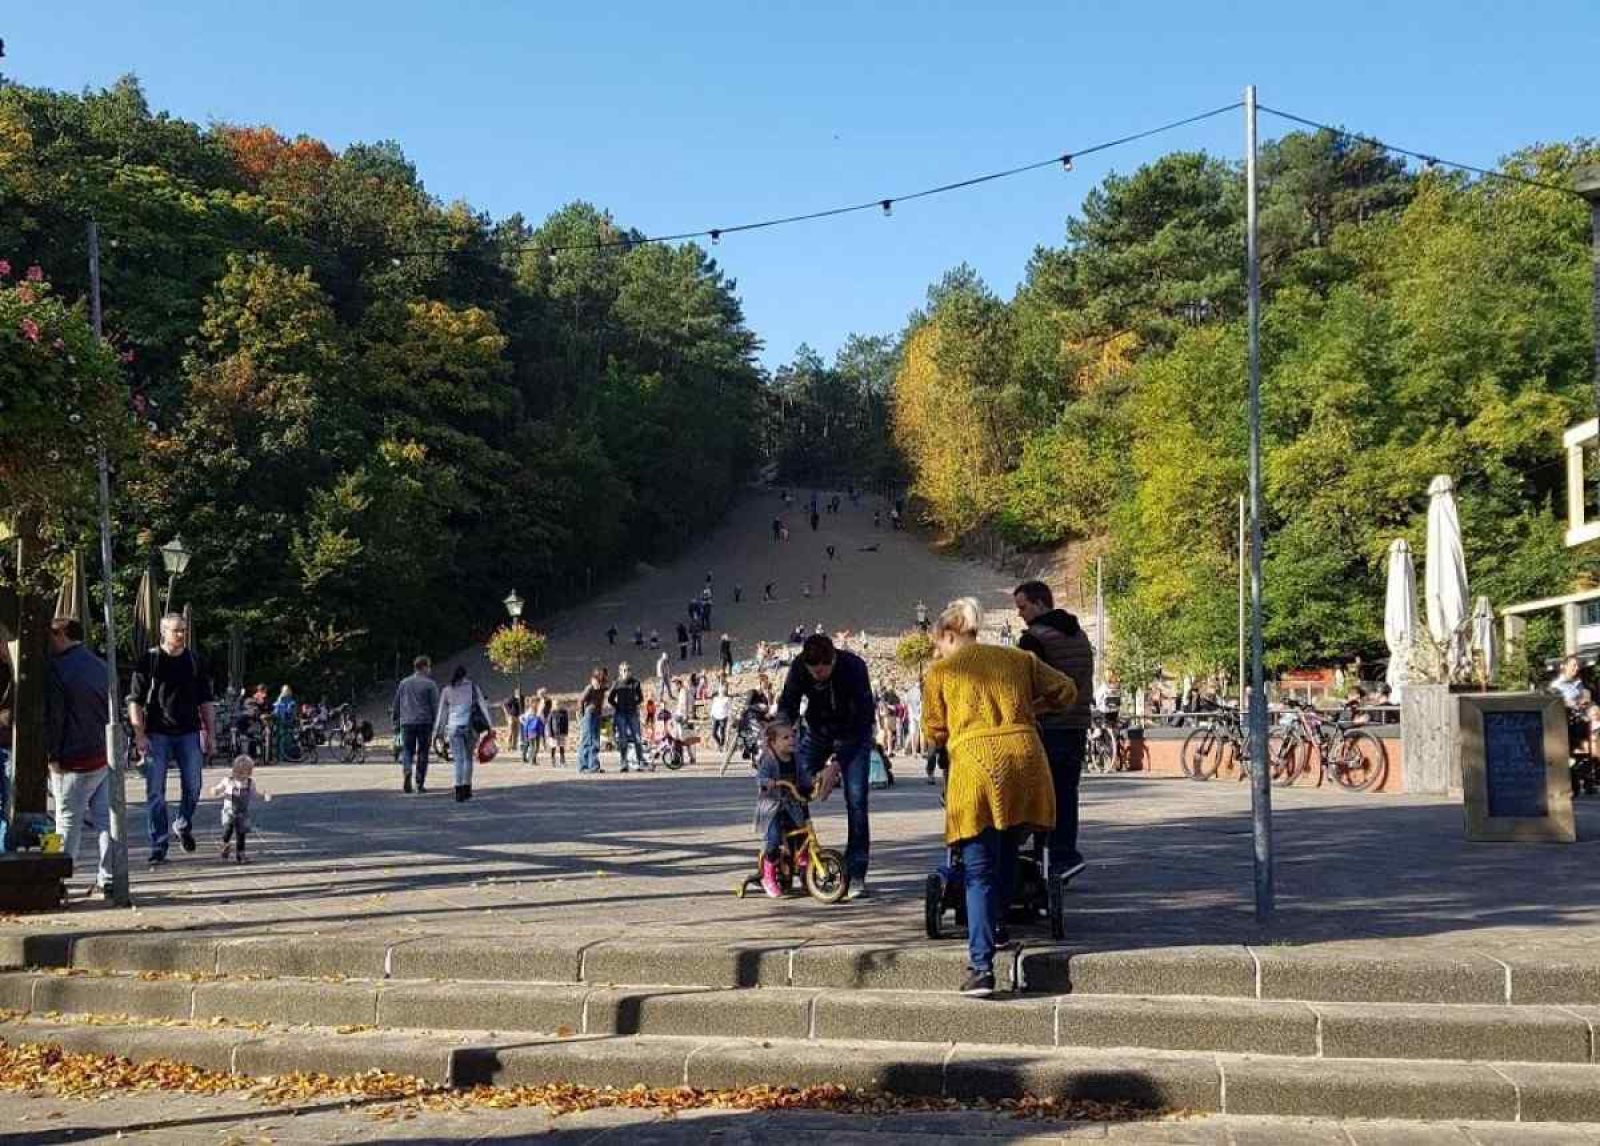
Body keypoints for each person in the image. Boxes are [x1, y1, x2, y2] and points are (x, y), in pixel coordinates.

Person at [923, 597, 1076, 997]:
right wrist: (1029, 710)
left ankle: (981, 968)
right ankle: (999, 926)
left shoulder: (941, 672)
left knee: (977, 870)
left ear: (950, 634)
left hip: (975, 765)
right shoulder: (1019, 659)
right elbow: (1067, 690)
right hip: (1024, 761)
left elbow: (933, 731)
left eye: (937, 643)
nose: (936, 651)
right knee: (1009, 850)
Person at [776, 633, 877, 898]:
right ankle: (802, 859)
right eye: (814, 672)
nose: (819, 675)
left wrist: (835, 764)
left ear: (833, 661)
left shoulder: (854, 667)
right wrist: (780, 736)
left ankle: (855, 873)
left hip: (855, 735)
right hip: (818, 731)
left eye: (824, 670)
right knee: (794, 787)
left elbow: (863, 717)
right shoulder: (800, 667)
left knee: (856, 800)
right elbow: (788, 704)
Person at [1014, 580, 1094, 884]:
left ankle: (1043, 857)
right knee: (1067, 792)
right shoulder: (1079, 634)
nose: (1020, 614)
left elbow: (1030, 687)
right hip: (1077, 723)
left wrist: (1028, 712)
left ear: (1039, 604)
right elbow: (1083, 680)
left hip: (1048, 726)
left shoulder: (1034, 639)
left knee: (1040, 796)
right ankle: (1064, 855)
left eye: (1022, 607)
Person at [128, 613, 215, 867]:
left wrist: (210, 733)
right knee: (155, 792)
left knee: (194, 785)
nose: (181, 635)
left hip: (189, 732)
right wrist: (139, 735)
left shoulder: (195, 660)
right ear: (163, 632)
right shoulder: (150, 660)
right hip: (157, 733)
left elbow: (206, 700)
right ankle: (158, 844)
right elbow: (134, 700)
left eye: (184, 630)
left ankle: (182, 823)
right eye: (176, 630)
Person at [44, 617, 113, 899]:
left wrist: (52, 756)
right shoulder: (100, 666)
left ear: (61, 635)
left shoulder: (56, 668)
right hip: (102, 754)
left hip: (72, 757)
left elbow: (55, 717)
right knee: (105, 821)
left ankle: (57, 879)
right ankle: (108, 877)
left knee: (66, 821)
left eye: (51, 636)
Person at [753, 718, 814, 897]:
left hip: (792, 803)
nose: (792, 740)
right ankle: (768, 875)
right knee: (773, 841)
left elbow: (803, 776)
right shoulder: (769, 760)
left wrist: (811, 783)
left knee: (803, 835)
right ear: (773, 742)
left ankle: (805, 870)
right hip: (772, 807)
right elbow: (760, 778)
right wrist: (768, 782)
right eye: (786, 737)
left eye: (793, 735)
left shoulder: (796, 758)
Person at [433, 665, 493, 802]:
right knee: (468, 758)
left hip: (453, 727)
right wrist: (490, 725)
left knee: (458, 759)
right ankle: (467, 788)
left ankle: (458, 789)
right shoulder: (473, 687)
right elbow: (483, 706)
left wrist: (438, 732)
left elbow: (442, 713)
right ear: (465, 675)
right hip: (470, 727)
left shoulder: (447, 690)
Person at [392, 656, 440, 793]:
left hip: (407, 722)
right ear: (424, 667)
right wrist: (437, 724)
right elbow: (435, 706)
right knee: (423, 752)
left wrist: (395, 721)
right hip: (425, 722)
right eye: (429, 666)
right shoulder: (430, 684)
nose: (430, 669)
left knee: (407, 750)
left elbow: (397, 704)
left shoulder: (404, 683)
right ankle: (419, 783)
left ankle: (407, 770)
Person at [211, 755, 269, 862]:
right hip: (228, 812)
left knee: (241, 834)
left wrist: (262, 796)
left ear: (249, 773)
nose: (240, 776)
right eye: (237, 772)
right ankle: (225, 847)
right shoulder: (228, 781)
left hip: (242, 813)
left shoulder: (250, 783)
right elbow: (219, 789)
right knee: (227, 830)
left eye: (243, 773)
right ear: (233, 770)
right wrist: (215, 790)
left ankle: (240, 854)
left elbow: (254, 794)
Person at [609, 662, 648, 772]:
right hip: (621, 714)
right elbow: (610, 699)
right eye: (624, 670)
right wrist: (617, 706)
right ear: (620, 672)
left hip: (633, 714)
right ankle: (623, 763)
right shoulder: (616, 683)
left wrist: (633, 704)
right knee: (623, 739)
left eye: (628, 670)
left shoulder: (635, 683)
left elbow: (640, 698)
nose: (627, 672)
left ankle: (640, 761)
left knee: (637, 738)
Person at [577, 666, 609, 774]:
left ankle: (594, 765)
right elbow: (580, 701)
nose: (605, 678)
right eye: (603, 676)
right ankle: (583, 766)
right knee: (587, 740)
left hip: (597, 715)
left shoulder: (602, 688)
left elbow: (608, 688)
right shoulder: (589, 688)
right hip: (589, 715)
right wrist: (582, 717)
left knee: (595, 741)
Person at [271, 685, 297, 764]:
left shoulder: (286, 700)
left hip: (284, 722)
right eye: (286, 690)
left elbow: (291, 711)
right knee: (282, 740)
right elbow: (277, 709)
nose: (287, 692)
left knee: (285, 740)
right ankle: (282, 757)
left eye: (287, 690)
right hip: (282, 722)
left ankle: (284, 757)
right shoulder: (282, 699)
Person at [503, 687, 524, 753]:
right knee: (511, 731)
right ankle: (508, 746)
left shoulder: (522, 698)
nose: (518, 693)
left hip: (518, 716)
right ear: (515, 692)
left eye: (519, 692)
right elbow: (505, 704)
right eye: (517, 692)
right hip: (512, 716)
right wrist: (508, 713)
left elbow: (523, 706)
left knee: (516, 732)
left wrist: (522, 713)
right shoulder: (512, 698)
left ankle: (514, 746)